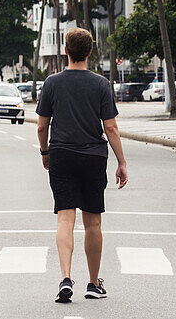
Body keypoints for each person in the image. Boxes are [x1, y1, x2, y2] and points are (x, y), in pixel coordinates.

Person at [36, 27, 127, 304]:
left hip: (62, 154)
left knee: (65, 218)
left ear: (66, 51)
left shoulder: (51, 83)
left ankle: (65, 278)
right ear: (89, 52)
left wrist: (45, 153)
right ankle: (92, 282)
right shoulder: (100, 84)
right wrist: (122, 161)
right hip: (93, 157)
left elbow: (42, 126)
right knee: (93, 221)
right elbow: (110, 127)